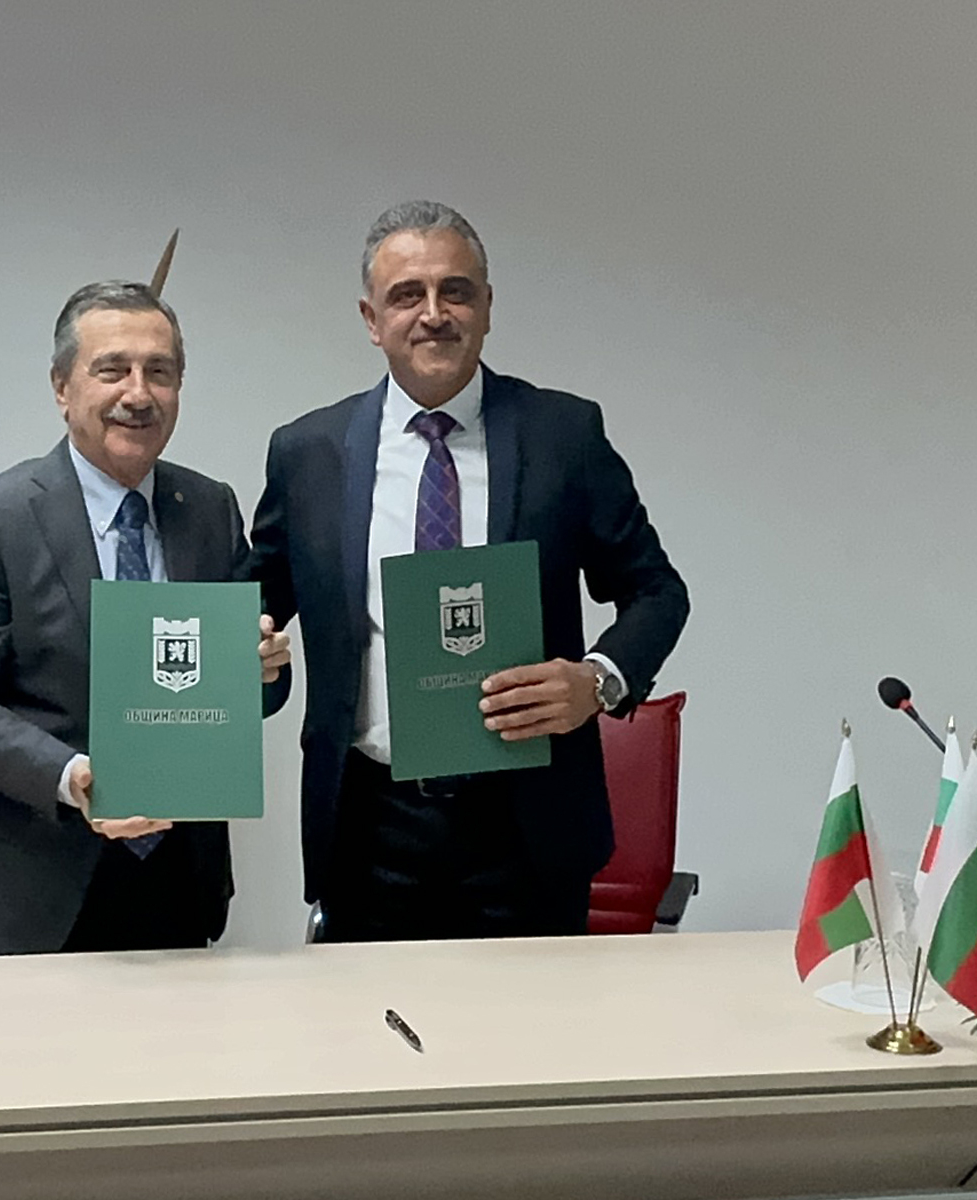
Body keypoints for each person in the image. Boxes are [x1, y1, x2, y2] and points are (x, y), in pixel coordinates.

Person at [250, 201, 689, 943]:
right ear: (371, 319)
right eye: (407, 295)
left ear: (487, 306)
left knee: (531, 1021)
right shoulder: (308, 453)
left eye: (455, 291)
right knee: (372, 1019)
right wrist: (254, 660)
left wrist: (597, 681)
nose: (434, 314)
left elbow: (657, 591)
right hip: (369, 829)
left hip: (526, 828)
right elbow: (253, 612)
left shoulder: (563, 435)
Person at [0, 281, 291, 955]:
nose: (138, 394)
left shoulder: (209, 508)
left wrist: (261, 668)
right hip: (21, 895)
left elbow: (242, 694)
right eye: (113, 369)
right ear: (62, 387)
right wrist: (71, 776)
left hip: (174, 885)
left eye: (159, 372)